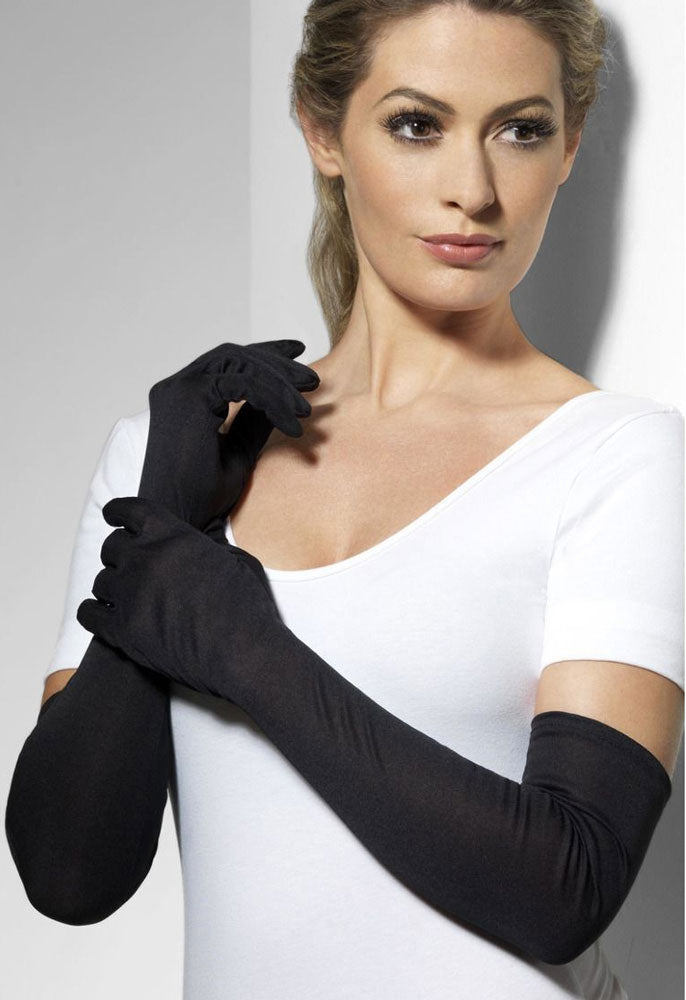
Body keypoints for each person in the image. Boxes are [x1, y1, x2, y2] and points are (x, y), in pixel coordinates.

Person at [18, 1, 686, 997]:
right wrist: (167, 508)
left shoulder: (615, 458)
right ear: (322, 131)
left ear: (570, 145)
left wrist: (248, 650)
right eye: (417, 125)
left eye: (520, 129)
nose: (473, 190)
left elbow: (567, 882)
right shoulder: (174, 456)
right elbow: (69, 875)